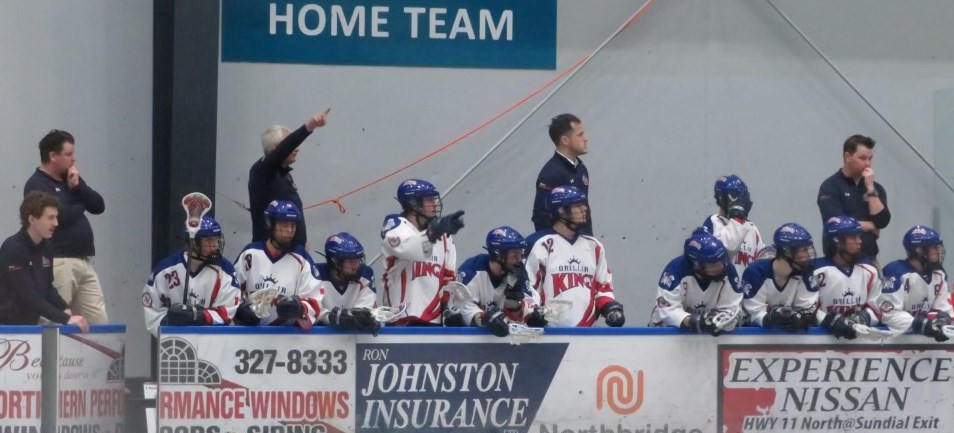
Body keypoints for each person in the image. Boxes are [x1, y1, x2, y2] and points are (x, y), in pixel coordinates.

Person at [24, 129, 107, 324]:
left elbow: (98, 205)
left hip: (83, 260)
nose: (73, 159)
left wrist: (79, 188)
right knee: (57, 319)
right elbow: (61, 216)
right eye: (68, 154)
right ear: (53, 156)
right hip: (59, 260)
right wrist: (80, 203)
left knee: (98, 320)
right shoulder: (37, 184)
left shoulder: (70, 180)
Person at [525, 186, 624, 327]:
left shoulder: (594, 246)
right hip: (550, 334)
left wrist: (610, 307)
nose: (584, 208)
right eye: (577, 205)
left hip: (587, 334)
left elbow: (603, 287)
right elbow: (528, 287)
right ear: (561, 210)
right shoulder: (540, 244)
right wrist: (532, 312)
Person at [380, 179, 465, 326]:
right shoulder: (395, 226)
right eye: (429, 200)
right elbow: (408, 248)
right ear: (414, 204)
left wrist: (450, 310)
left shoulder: (444, 237)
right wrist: (433, 233)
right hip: (399, 322)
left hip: (434, 324)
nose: (435, 204)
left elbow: (449, 279)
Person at [0, 192, 89, 331]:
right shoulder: (13, 249)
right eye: (50, 218)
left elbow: (47, 288)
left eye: (56, 217)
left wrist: (64, 308)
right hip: (7, 328)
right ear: (32, 219)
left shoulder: (46, 247)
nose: (56, 223)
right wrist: (64, 319)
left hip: (30, 325)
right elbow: (27, 294)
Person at [142, 215, 240, 336]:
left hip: (213, 343)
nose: (215, 246)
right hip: (176, 345)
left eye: (216, 240)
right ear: (193, 243)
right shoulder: (166, 269)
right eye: (209, 241)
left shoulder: (226, 270)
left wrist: (198, 316)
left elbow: (227, 312)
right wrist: (167, 322)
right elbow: (152, 309)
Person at [233, 201, 324, 328]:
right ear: (270, 224)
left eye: (292, 225)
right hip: (251, 336)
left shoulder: (302, 258)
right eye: (284, 225)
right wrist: (241, 311)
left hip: (288, 338)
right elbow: (232, 292)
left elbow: (315, 299)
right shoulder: (250, 254)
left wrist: (299, 307)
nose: (289, 231)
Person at [248, 109, 329, 247]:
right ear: (277, 149)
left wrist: (301, 241)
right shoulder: (261, 171)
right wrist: (309, 127)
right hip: (270, 255)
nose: (297, 149)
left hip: (291, 252)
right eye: (292, 145)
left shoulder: (284, 174)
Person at [454, 226, 543, 337]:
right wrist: (486, 319)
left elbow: (530, 307)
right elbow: (461, 309)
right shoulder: (470, 272)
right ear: (499, 255)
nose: (520, 260)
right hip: (469, 343)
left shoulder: (518, 273)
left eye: (521, 254)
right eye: (515, 255)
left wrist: (533, 315)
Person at [650, 230, 742, 336]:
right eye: (713, 264)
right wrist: (691, 321)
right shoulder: (675, 270)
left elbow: (732, 310)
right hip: (667, 336)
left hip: (710, 338)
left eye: (721, 261)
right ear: (697, 265)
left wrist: (717, 322)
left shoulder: (729, 271)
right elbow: (665, 310)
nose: (720, 266)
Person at [817, 134, 890, 261]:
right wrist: (872, 226)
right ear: (847, 157)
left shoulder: (875, 187)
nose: (868, 164)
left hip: (869, 257)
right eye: (862, 158)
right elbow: (838, 224)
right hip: (838, 259)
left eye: (870, 158)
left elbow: (882, 221)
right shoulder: (830, 186)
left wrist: (870, 189)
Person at [813, 216, 883, 339]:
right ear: (837, 241)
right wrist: (829, 321)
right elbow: (807, 309)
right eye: (853, 237)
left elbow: (877, 308)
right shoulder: (816, 270)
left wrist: (864, 318)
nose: (859, 241)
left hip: (859, 343)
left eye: (859, 236)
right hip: (822, 341)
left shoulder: (869, 270)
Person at [879, 226, 953, 341]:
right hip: (892, 342)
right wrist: (921, 324)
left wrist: (943, 319)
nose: (938, 251)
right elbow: (889, 314)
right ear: (919, 251)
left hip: (920, 343)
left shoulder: (939, 274)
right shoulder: (895, 272)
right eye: (933, 248)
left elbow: (942, 308)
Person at [741, 223, 818, 331]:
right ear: (787, 251)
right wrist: (770, 318)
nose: (808, 255)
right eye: (804, 250)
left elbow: (807, 310)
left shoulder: (805, 273)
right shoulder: (756, 273)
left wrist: (803, 318)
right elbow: (752, 315)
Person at [531, 114, 593, 235]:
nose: (586, 138)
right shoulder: (551, 174)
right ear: (565, 140)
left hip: (583, 243)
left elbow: (585, 211)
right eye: (580, 135)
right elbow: (541, 217)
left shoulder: (581, 169)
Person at [315, 232, 380, 334]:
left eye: (358, 260)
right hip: (319, 337)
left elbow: (364, 310)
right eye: (350, 262)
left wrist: (362, 319)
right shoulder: (316, 274)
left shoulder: (365, 274)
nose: (356, 266)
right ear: (335, 261)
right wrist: (329, 317)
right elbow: (311, 308)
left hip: (354, 338)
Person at [703, 175, 765, 276]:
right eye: (735, 197)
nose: (739, 202)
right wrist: (738, 216)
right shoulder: (712, 223)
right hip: (724, 288)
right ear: (721, 198)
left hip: (748, 288)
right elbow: (728, 248)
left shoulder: (751, 227)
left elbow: (762, 260)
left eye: (742, 197)